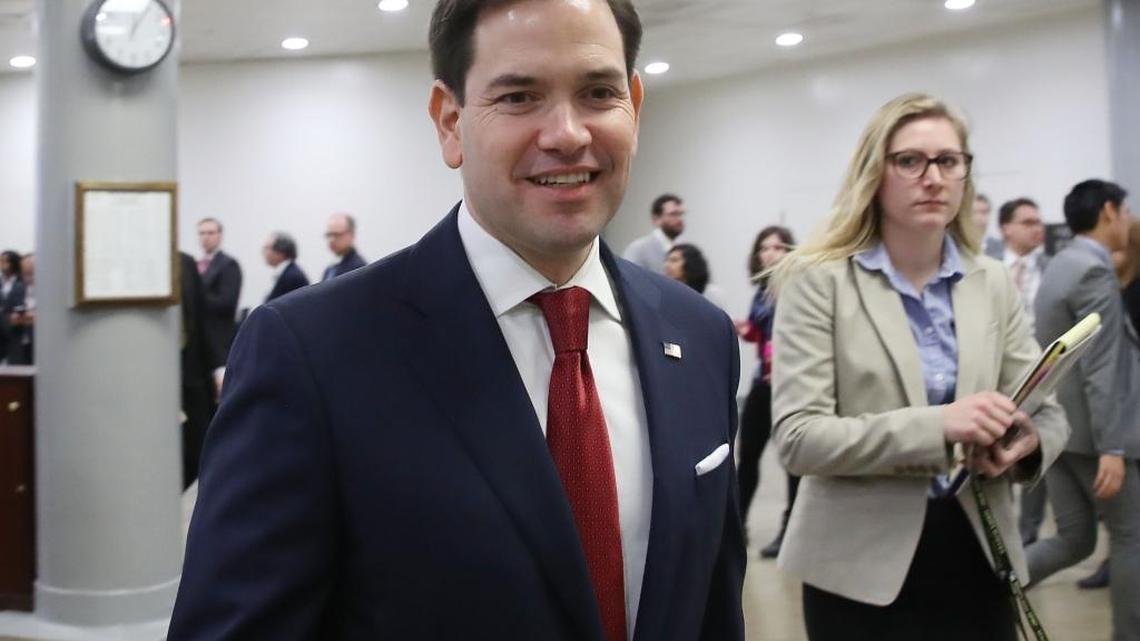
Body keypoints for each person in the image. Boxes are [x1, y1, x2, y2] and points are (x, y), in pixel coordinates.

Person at [168, 1, 745, 639]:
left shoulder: (700, 335)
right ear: (450, 122)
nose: (567, 134)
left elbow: (714, 608)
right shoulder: (311, 354)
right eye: (519, 97)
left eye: (598, 93)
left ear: (633, 107)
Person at [770, 93, 1068, 641]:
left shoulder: (990, 280)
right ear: (874, 173)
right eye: (910, 161)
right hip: (858, 570)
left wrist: (1023, 444)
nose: (933, 178)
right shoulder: (818, 281)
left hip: (979, 551)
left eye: (948, 161)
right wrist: (940, 426)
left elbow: (1046, 411)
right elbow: (799, 437)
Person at [1026, 179, 1140, 641]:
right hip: (1096, 436)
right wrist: (1113, 446)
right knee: (1132, 536)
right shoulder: (1094, 271)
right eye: (1126, 212)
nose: (1128, 221)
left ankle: (985, 585)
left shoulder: (1062, 263)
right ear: (1109, 211)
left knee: (1074, 539)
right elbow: (1101, 365)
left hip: (1060, 430)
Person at [735, 225, 799, 559]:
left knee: (793, 460)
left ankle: (790, 532)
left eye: (777, 247)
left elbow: (792, 334)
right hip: (763, 382)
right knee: (748, 454)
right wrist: (744, 329)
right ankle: (736, 526)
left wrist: (778, 354)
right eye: (764, 248)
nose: (770, 253)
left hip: (791, 383)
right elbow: (761, 332)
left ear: (789, 252)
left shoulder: (797, 287)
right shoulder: (762, 290)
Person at [990, 197, 1050, 545]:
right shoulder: (987, 269)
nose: (1036, 228)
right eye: (1027, 222)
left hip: (1040, 376)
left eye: (1038, 222)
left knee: (1031, 456)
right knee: (997, 463)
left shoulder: (1051, 268)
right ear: (1006, 228)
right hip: (997, 380)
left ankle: (1027, 536)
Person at [196, 218, 243, 366]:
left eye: (210, 233)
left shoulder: (228, 264)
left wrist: (195, 297)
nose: (206, 237)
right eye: (202, 233)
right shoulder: (197, 264)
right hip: (200, 338)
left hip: (219, 338)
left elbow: (227, 302)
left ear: (220, 236)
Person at [622, 193, 684, 274]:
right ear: (656, 219)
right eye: (673, 214)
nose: (679, 219)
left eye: (681, 214)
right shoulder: (639, 249)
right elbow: (628, 277)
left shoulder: (682, 249)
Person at [663, 243, 726, 309]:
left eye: (674, 260)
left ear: (690, 263)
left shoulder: (710, 293)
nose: (667, 265)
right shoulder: (666, 294)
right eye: (666, 260)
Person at [261, 232, 310, 302]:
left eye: (267, 248)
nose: (263, 252)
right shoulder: (286, 273)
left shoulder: (292, 277)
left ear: (280, 252)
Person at [6, 253, 35, 365]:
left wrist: (37, 319)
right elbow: (5, 313)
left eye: (31, 273)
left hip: (43, 347)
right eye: (24, 274)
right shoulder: (17, 288)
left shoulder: (52, 291)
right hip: (19, 347)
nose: (27, 278)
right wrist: (12, 318)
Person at [321, 212, 367, 280]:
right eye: (329, 235)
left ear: (351, 235)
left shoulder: (359, 270)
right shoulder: (330, 269)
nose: (331, 240)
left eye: (336, 234)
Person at [0, 250, 26, 364]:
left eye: (5, 261)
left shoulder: (22, 282)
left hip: (16, 330)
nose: (1, 264)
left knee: (15, 363)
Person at [975, 193, 1004, 258]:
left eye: (983, 212)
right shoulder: (957, 246)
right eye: (974, 212)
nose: (979, 217)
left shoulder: (1001, 247)